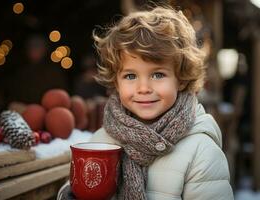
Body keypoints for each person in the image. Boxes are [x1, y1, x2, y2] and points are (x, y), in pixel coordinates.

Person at [58, 5, 233, 200]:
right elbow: (76, 183)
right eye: (130, 76)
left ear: (181, 79)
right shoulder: (103, 139)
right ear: (116, 81)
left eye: (158, 74)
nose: (143, 88)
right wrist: (69, 194)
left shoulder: (200, 150)